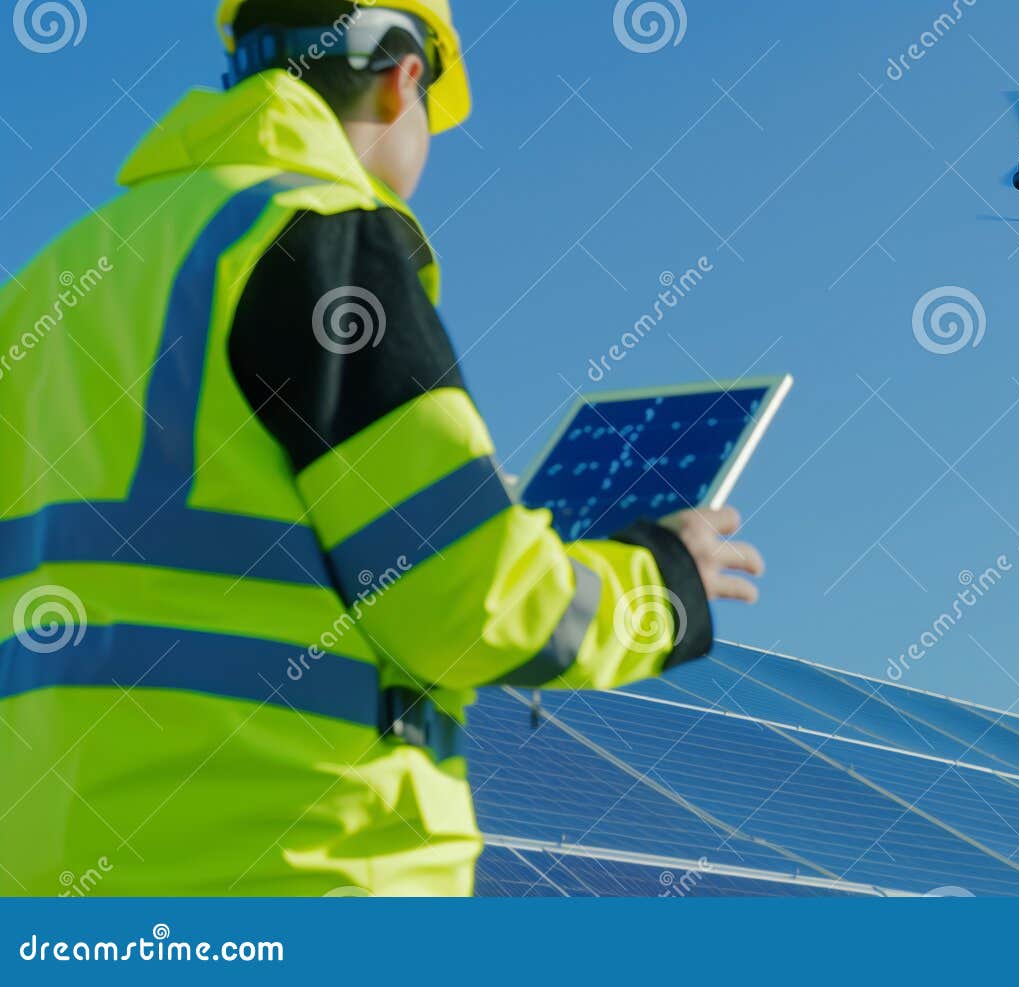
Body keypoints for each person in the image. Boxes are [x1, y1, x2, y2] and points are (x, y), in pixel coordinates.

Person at [0, 0, 764, 896]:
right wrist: (661, 586)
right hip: (303, 868)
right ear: (406, 80)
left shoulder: (46, 284)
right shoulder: (321, 238)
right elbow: (464, 603)